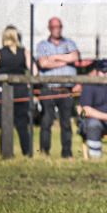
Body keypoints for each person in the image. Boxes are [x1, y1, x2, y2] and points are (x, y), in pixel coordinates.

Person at [0, 25, 37, 156]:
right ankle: (27, 153)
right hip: (21, 91)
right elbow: (34, 72)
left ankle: (6, 153)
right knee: (22, 125)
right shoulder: (24, 52)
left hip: (3, 92)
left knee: (5, 123)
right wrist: (28, 85)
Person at [35, 17, 79, 158]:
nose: (57, 29)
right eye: (54, 27)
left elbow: (75, 57)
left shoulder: (69, 43)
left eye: (59, 26)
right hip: (48, 88)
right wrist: (64, 61)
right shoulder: (42, 45)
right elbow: (43, 63)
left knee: (66, 123)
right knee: (47, 121)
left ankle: (67, 152)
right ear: (49, 28)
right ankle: (44, 152)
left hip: (66, 89)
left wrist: (54, 57)